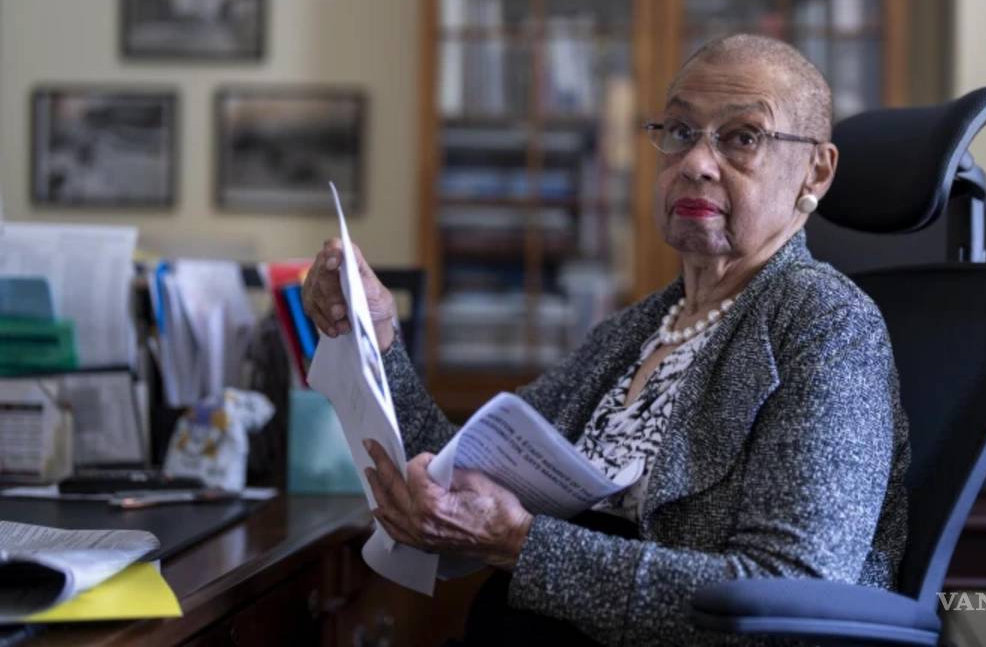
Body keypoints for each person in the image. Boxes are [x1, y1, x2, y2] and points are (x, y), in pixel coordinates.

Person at [302, 34, 910, 646]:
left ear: (817, 170)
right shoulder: (638, 328)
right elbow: (454, 477)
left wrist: (520, 543)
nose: (695, 162)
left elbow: (789, 595)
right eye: (678, 130)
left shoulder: (827, 324)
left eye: (742, 137)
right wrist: (377, 338)